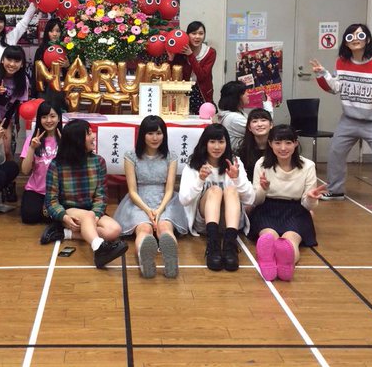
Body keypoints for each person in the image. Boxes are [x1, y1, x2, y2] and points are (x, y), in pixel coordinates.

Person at [310, 23, 372, 215]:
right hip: (350, 118)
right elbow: (335, 87)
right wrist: (322, 73)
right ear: (346, 42)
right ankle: (336, 190)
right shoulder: (342, 62)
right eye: (350, 37)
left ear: (367, 39)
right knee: (335, 152)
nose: (355, 39)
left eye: (360, 36)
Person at [39, 120, 128, 269]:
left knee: (114, 231)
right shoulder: (57, 165)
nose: (93, 136)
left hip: (90, 211)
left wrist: (96, 216)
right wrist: (64, 217)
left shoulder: (98, 162)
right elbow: (51, 201)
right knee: (88, 216)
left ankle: (64, 233)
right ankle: (99, 249)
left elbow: (101, 196)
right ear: (77, 140)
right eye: (89, 133)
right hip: (68, 211)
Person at [248, 125, 327, 281]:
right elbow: (256, 200)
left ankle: (285, 265)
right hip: (267, 208)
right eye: (278, 143)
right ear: (270, 144)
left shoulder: (308, 166)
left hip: (296, 210)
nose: (283, 148)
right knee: (269, 236)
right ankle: (268, 262)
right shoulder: (262, 164)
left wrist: (311, 198)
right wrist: (263, 189)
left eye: (288, 143)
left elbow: (308, 206)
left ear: (295, 143)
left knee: (289, 241)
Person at [113, 116, 188, 278]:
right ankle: (144, 258)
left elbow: (169, 189)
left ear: (164, 135)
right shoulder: (131, 156)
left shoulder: (171, 156)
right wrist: (148, 211)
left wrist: (159, 210)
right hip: (138, 200)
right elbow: (132, 191)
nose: (155, 138)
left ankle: (171, 260)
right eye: (150, 133)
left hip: (165, 200)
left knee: (165, 227)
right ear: (143, 135)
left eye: (159, 133)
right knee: (144, 229)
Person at [179, 124, 255, 272]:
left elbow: (250, 199)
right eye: (212, 141)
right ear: (205, 143)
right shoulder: (194, 164)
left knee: (231, 190)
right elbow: (184, 200)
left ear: (227, 143)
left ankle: (230, 246)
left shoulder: (234, 162)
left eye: (221, 142)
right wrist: (200, 179)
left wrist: (237, 178)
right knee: (215, 190)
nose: (217, 146)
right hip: (205, 224)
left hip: (230, 224)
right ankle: (213, 246)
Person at [20, 101, 62, 224]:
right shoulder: (32, 139)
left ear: (59, 118)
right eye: (44, 117)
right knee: (29, 217)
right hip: (36, 189)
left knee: (62, 216)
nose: (48, 120)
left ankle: (48, 210)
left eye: (52, 116)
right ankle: (47, 210)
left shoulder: (65, 139)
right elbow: (25, 170)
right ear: (39, 119)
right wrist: (32, 148)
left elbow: (73, 169)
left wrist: (66, 147)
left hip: (59, 191)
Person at [168, 21, 216, 114]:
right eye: (193, 33)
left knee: (204, 117)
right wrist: (171, 59)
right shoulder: (181, 51)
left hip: (202, 93)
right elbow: (171, 73)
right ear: (187, 35)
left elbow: (202, 76)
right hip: (183, 91)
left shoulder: (210, 52)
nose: (197, 37)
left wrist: (190, 55)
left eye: (201, 33)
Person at [217, 81, 273, 153]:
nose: (248, 94)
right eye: (244, 93)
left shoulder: (238, 113)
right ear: (236, 97)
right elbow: (264, 128)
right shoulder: (233, 118)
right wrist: (268, 105)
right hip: (239, 155)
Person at [237, 108, 274, 182]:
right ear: (249, 127)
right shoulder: (243, 151)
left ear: (271, 125)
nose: (259, 124)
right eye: (255, 121)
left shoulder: (279, 148)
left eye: (263, 120)